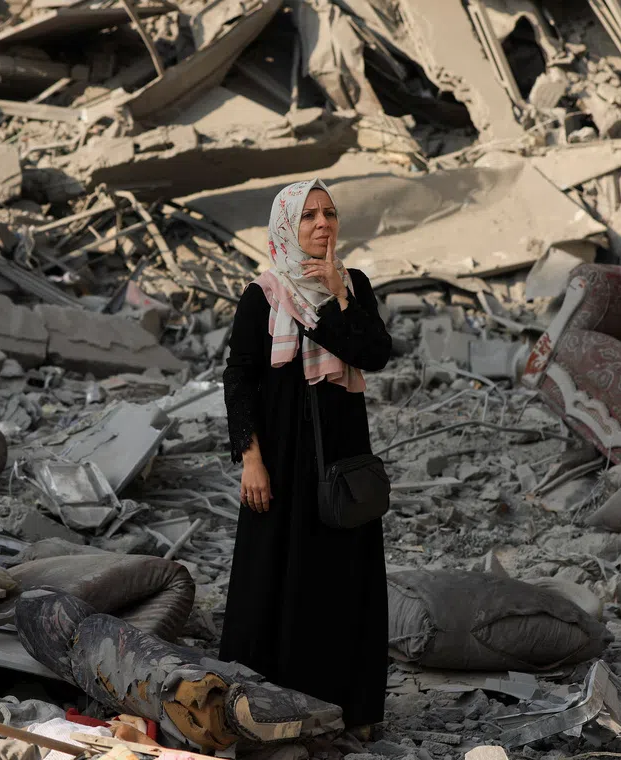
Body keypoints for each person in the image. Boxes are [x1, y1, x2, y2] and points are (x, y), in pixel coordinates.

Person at [220, 178, 392, 731]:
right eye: (309, 216)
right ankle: (260, 712)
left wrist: (340, 294)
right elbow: (240, 380)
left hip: (341, 460)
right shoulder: (264, 292)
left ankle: (350, 708)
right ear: (287, 228)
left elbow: (374, 353)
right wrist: (250, 459)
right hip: (281, 461)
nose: (322, 224)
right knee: (272, 579)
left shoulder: (354, 283)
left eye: (330, 213)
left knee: (344, 581)